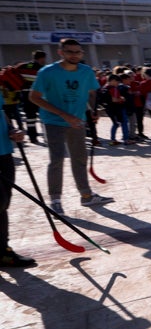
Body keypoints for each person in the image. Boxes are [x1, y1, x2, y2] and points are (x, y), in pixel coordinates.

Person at [29, 38, 112, 215]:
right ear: (61, 52)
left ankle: (86, 195)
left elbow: (90, 93)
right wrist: (63, 114)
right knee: (57, 159)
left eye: (78, 52)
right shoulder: (47, 72)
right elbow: (34, 97)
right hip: (54, 122)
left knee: (80, 158)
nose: (74, 55)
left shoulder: (86, 71)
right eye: (70, 51)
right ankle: (55, 200)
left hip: (78, 121)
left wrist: (92, 112)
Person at [0, 108, 36, 268]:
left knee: (3, 204)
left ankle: (2, 251)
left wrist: (12, 130)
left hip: (4, 152)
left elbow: (2, 114)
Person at [17, 50, 47, 144]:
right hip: (39, 96)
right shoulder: (43, 69)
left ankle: (32, 137)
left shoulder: (23, 66)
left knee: (30, 118)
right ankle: (47, 137)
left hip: (26, 96)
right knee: (44, 117)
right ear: (42, 58)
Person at [101, 73, 131, 146]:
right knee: (123, 123)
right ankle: (126, 140)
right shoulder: (113, 88)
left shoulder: (104, 87)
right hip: (116, 108)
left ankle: (113, 140)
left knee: (115, 124)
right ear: (113, 80)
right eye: (117, 82)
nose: (118, 84)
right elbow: (114, 100)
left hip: (109, 108)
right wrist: (122, 99)